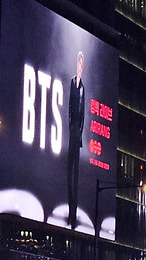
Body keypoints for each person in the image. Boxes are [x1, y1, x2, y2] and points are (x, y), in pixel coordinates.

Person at [66, 50, 85, 229]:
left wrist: (79, 133)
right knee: (69, 172)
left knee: (75, 175)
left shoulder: (82, 87)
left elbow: (82, 113)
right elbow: (70, 109)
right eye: (79, 63)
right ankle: (70, 214)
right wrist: (72, 129)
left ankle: (73, 215)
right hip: (71, 133)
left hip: (77, 135)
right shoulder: (72, 83)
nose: (80, 67)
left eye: (82, 64)